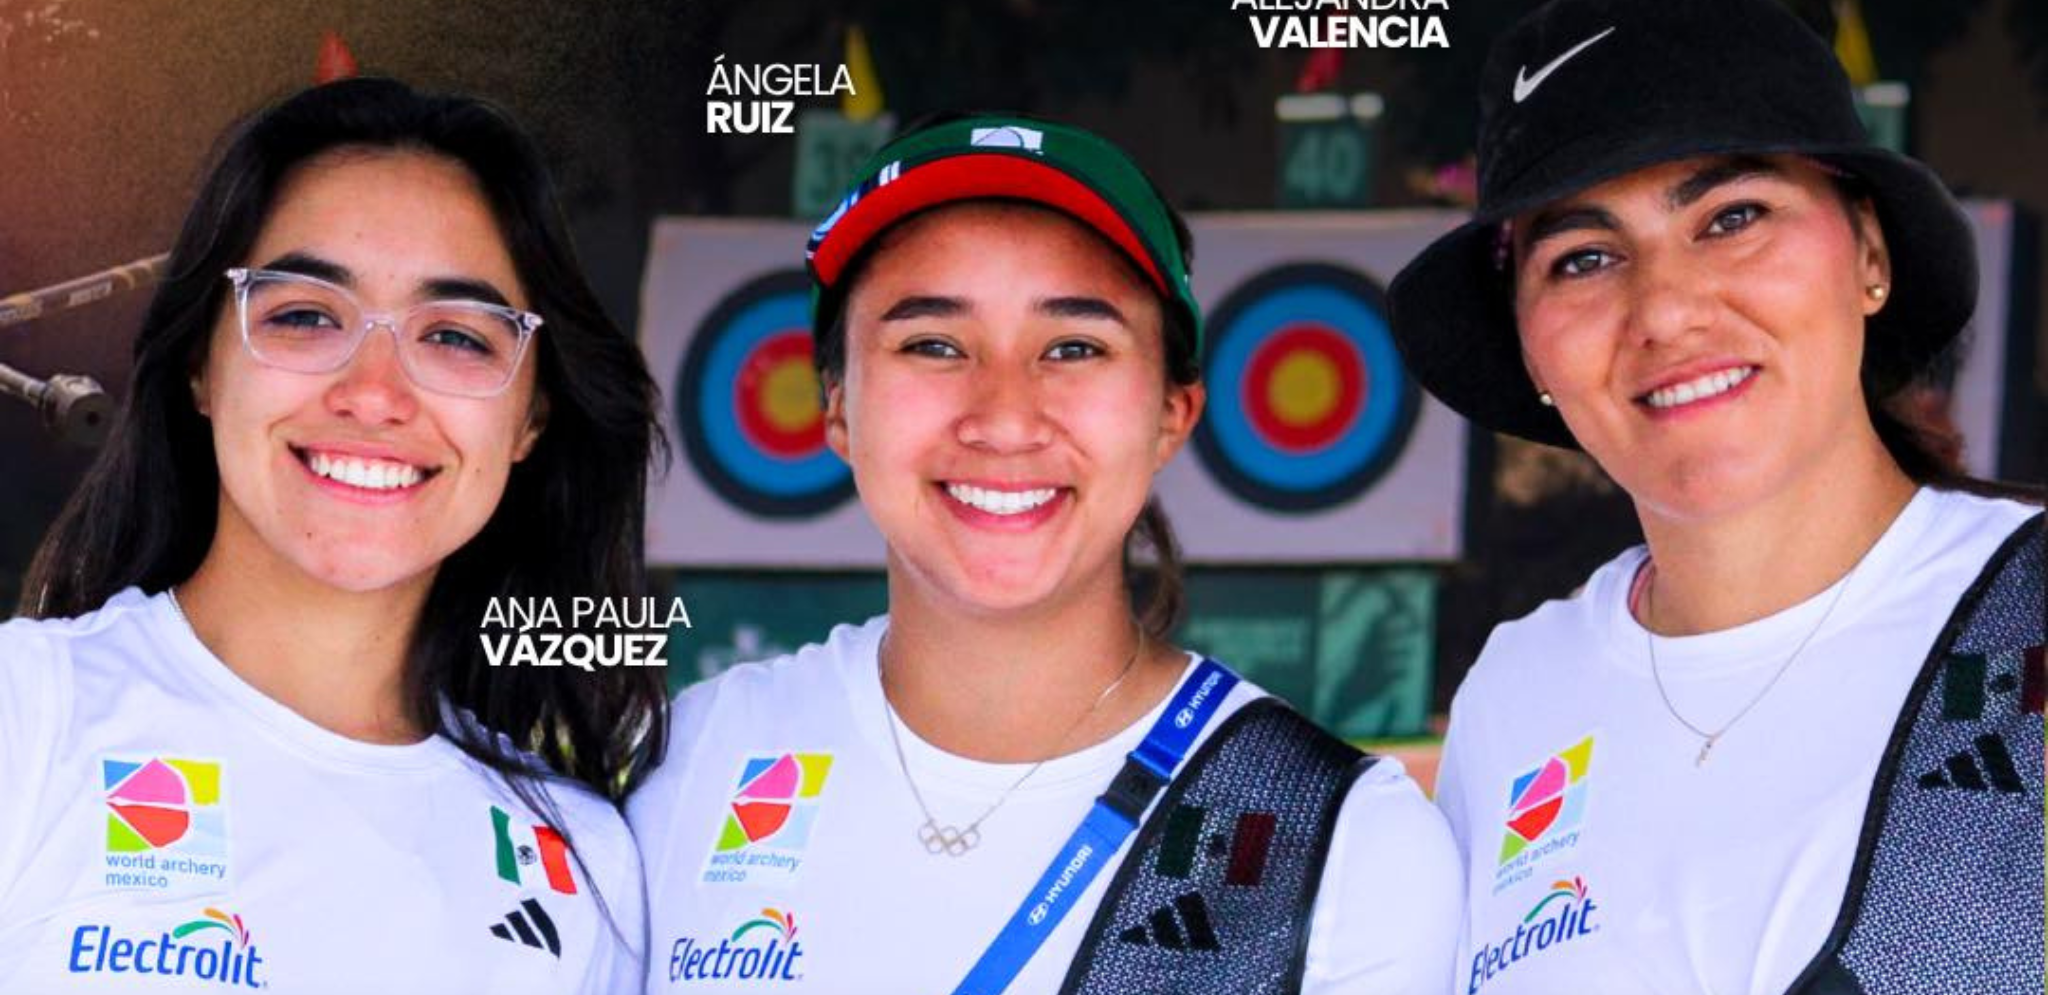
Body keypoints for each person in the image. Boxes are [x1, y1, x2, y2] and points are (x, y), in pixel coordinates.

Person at [629, 114, 1461, 994]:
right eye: (933, 344)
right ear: (837, 410)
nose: (1005, 418)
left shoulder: (1340, 842)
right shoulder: (686, 768)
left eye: (1074, 347)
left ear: (1172, 414)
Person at [1389, 0, 2044, 994]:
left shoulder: (2027, 620)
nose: (1665, 310)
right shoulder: (1516, 696)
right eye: (1581, 259)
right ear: (1527, 350)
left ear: (1866, 251)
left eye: (1731, 217)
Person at [0, 77, 668, 993]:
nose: (375, 393)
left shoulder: (585, 864)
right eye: (307, 315)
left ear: (531, 418)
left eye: (458, 337)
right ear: (202, 363)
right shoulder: (27, 718)